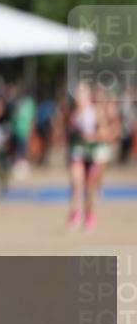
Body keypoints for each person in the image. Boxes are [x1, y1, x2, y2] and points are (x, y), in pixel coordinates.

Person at [67, 81, 117, 231]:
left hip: (93, 153)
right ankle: (75, 212)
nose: (78, 96)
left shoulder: (95, 112)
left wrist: (93, 136)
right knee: (76, 183)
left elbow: (107, 133)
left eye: (81, 93)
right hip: (77, 152)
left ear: (88, 96)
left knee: (89, 188)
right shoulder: (72, 112)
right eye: (77, 93)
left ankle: (89, 215)